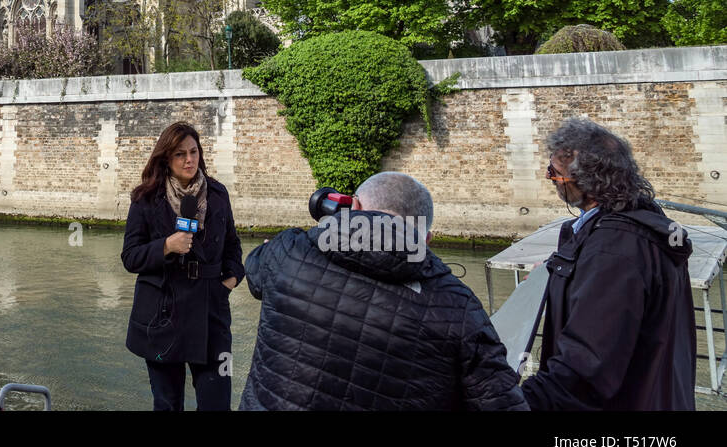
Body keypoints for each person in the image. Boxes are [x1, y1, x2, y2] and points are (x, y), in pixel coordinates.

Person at [240, 172, 527, 410]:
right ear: (426, 238)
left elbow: (254, 271)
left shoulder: (288, 251)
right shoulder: (460, 307)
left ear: (354, 206)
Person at [522, 118, 696, 410]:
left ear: (584, 184)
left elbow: (586, 366)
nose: (549, 178)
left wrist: (516, 402)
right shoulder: (644, 222)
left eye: (554, 173)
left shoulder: (614, 250)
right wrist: (556, 275)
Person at [121, 121, 245, 411]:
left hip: (210, 312)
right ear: (166, 158)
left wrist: (230, 281)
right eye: (180, 154)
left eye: (193, 152)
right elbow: (130, 256)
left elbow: (232, 246)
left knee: (217, 403)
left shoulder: (217, 194)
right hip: (163, 313)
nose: (189, 160)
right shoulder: (146, 199)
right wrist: (166, 246)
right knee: (167, 404)